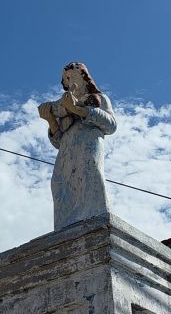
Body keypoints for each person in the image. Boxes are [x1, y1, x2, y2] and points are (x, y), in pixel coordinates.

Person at [38, 62, 117, 230]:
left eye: (73, 76)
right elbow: (58, 141)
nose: (69, 80)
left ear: (84, 77)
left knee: (89, 175)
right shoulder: (61, 108)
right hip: (66, 156)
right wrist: (51, 120)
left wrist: (78, 109)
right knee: (60, 184)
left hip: (88, 146)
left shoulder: (99, 99)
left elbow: (111, 125)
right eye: (66, 78)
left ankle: (96, 219)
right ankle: (64, 228)